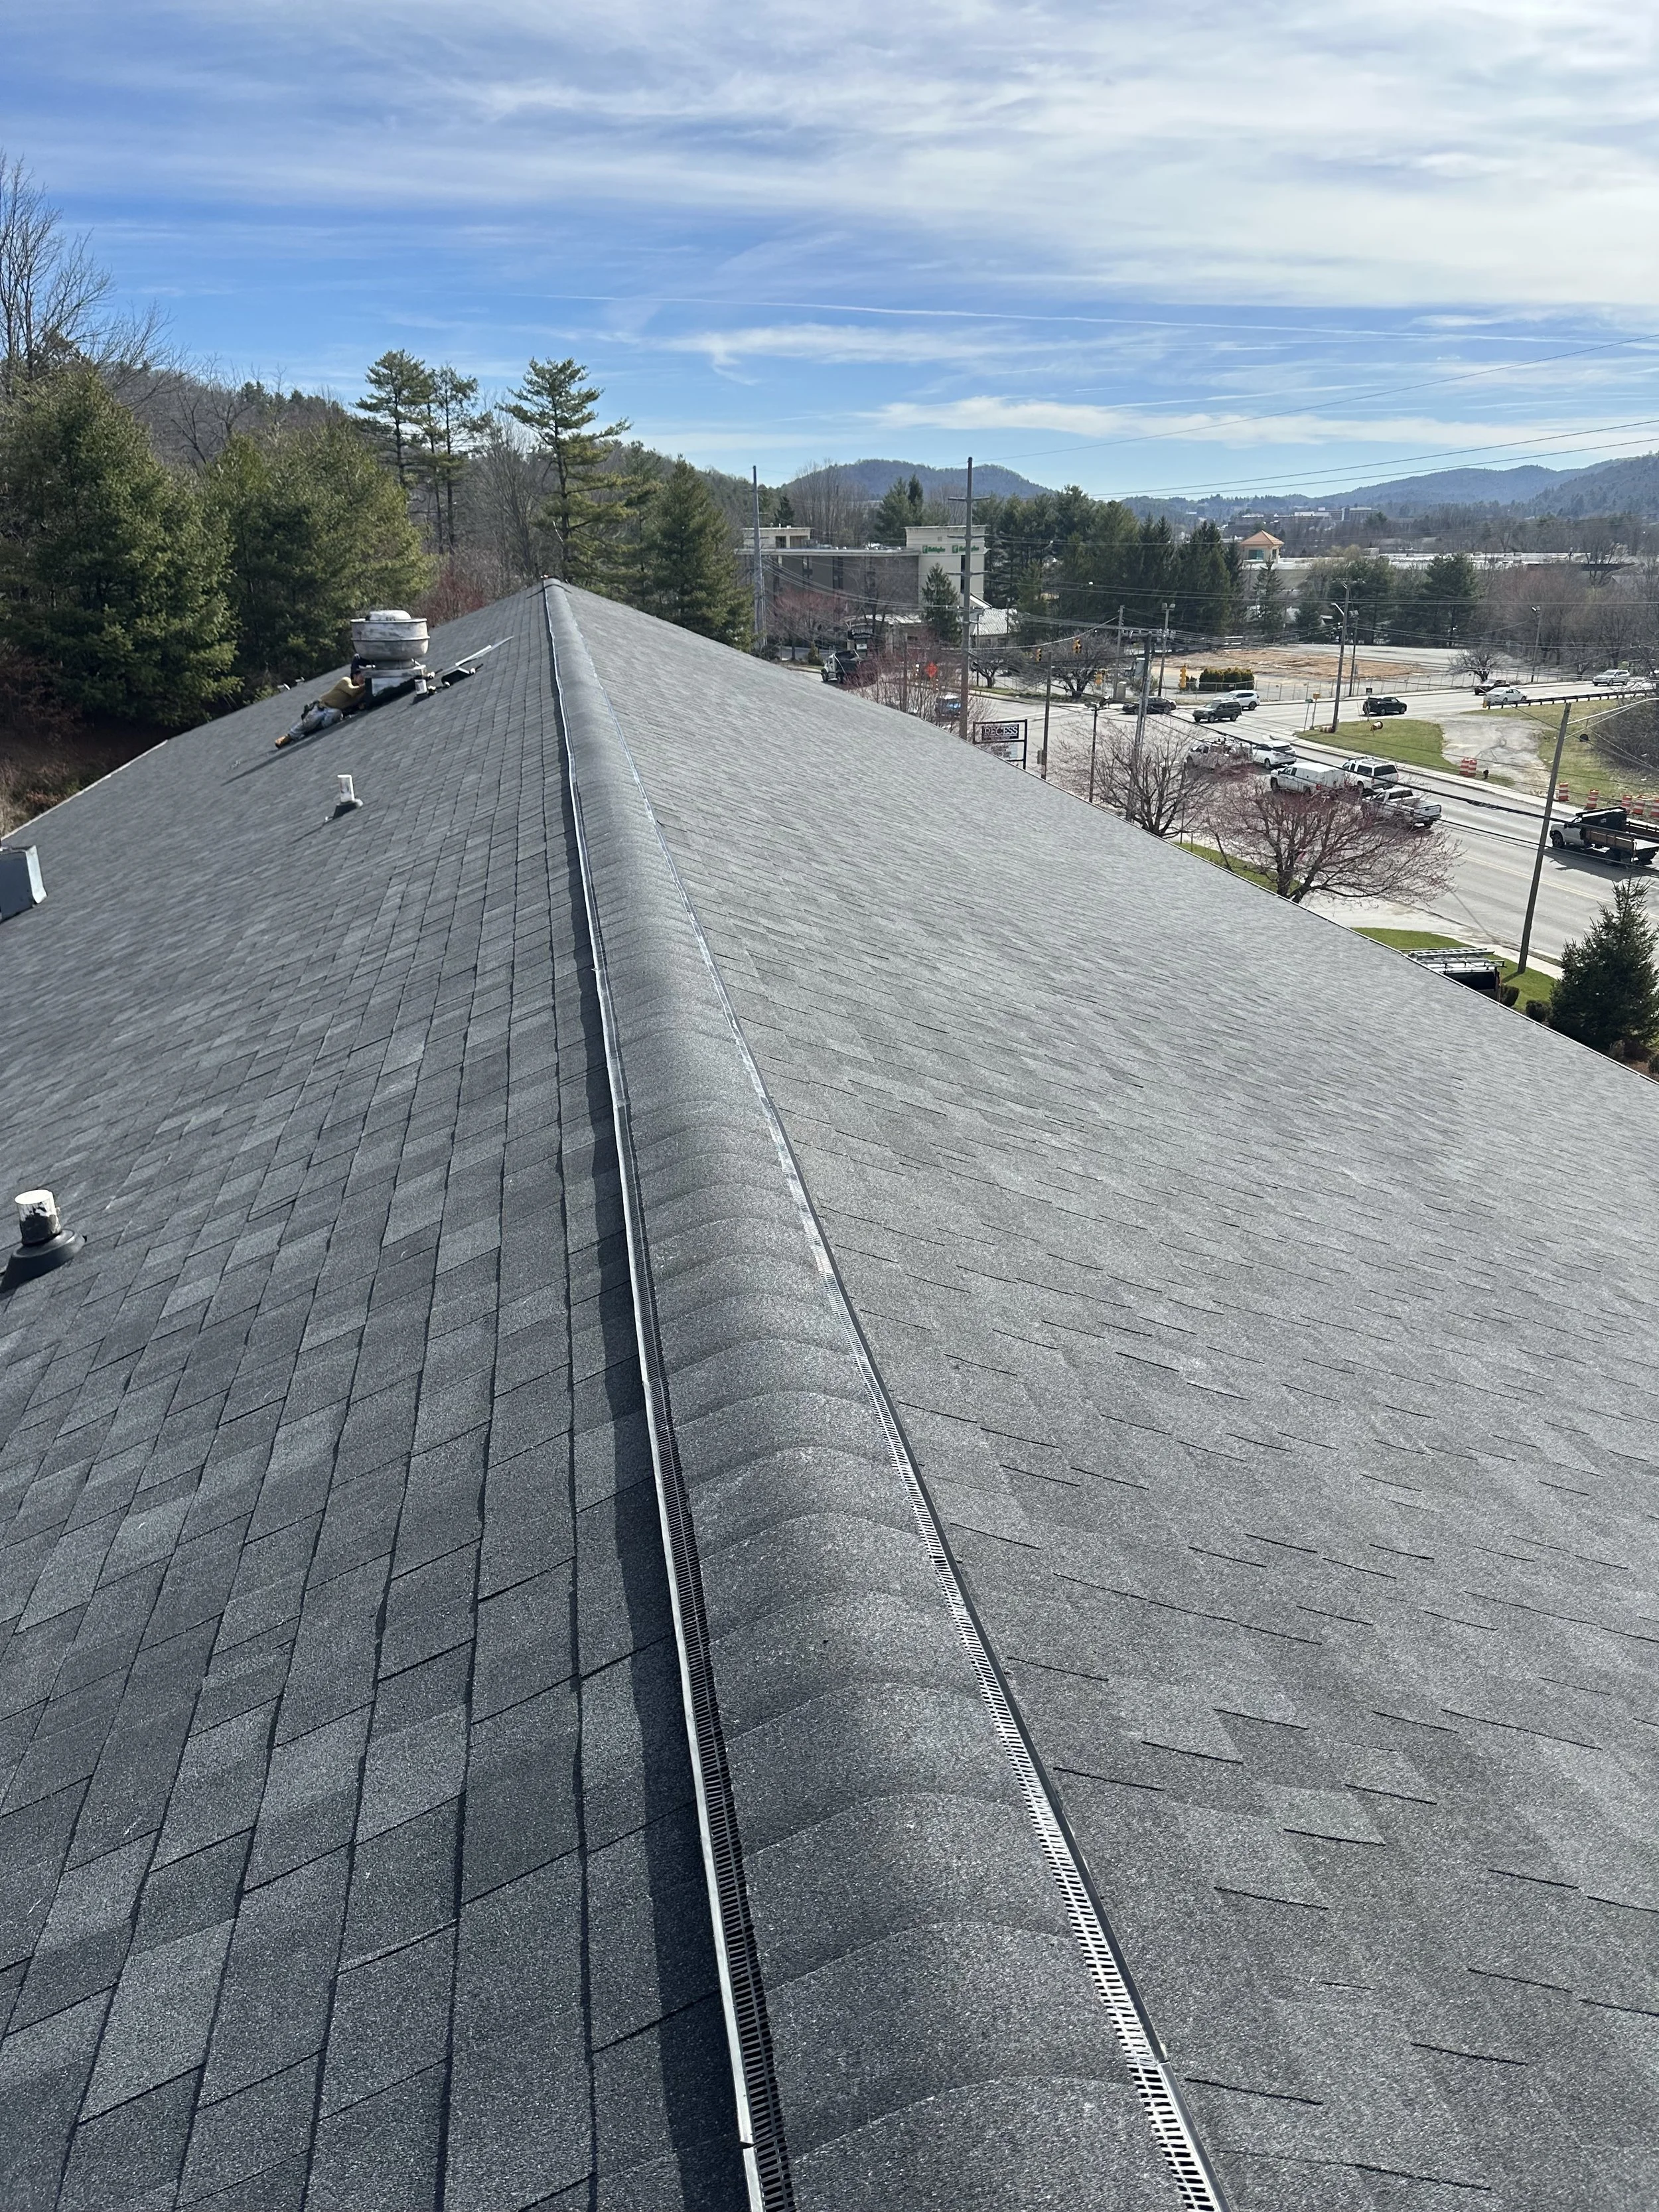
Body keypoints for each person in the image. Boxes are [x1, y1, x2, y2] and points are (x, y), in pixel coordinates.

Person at [276, 664, 368, 747]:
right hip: (323, 706)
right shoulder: (346, 681)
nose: (363, 679)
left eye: (366, 677)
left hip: (334, 711)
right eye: (362, 676)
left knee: (336, 714)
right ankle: (287, 738)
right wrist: (367, 683)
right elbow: (353, 692)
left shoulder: (362, 692)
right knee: (308, 723)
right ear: (355, 676)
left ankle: (314, 729)